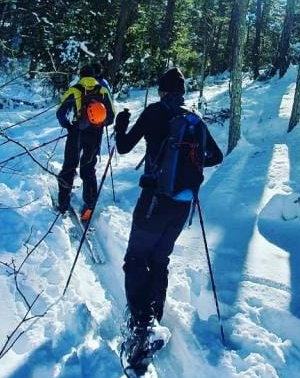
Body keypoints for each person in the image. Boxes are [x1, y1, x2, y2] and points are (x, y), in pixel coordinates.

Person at [114, 67, 223, 343]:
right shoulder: (194, 118)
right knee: (159, 260)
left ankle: (142, 323)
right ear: (182, 92)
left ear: (162, 90)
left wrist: (120, 126)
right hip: (182, 203)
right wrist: (190, 167)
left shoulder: (154, 112)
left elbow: (124, 147)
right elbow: (216, 156)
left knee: (137, 258)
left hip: (154, 201)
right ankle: (154, 319)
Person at [55, 61, 115, 220]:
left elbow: (60, 112)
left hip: (76, 133)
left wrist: (68, 126)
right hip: (95, 134)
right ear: (94, 75)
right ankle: (89, 207)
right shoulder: (102, 90)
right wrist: (99, 123)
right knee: (88, 169)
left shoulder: (75, 89)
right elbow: (111, 117)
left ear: (80, 75)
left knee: (69, 165)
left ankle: (63, 203)